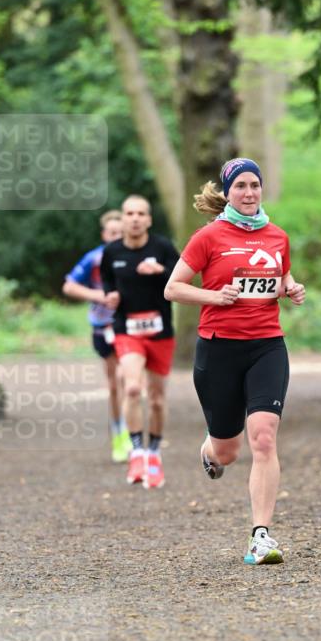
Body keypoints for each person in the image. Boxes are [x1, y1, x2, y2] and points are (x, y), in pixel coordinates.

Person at [164, 157, 305, 564]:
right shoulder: (208, 237)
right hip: (219, 348)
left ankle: (261, 537)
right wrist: (214, 296)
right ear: (227, 192)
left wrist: (291, 288)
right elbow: (173, 289)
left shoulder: (277, 236)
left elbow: (279, 277)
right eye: (240, 186)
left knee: (263, 435)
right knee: (229, 451)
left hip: (266, 345)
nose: (249, 193)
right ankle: (210, 451)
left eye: (255, 186)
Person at [100, 195, 180, 489]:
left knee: (157, 400)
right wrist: (111, 296)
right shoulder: (112, 251)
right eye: (129, 213)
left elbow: (184, 277)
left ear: (148, 219)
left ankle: (154, 454)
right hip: (127, 329)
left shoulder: (162, 248)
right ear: (122, 219)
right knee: (132, 388)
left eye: (140, 213)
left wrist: (161, 271)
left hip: (160, 332)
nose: (134, 218)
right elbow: (108, 281)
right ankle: (136, 452)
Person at [62, 210, 132, 463]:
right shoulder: (93, 259)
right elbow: (69, 285)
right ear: (104, 235)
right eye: (112, 233)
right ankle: (118, 433)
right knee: (114, 384)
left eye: (121, 233)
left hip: (130, 326)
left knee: (128, 379)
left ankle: (131, 433)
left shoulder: (134, 256)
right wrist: (98, 296)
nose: (117, 237)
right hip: (103, 327)